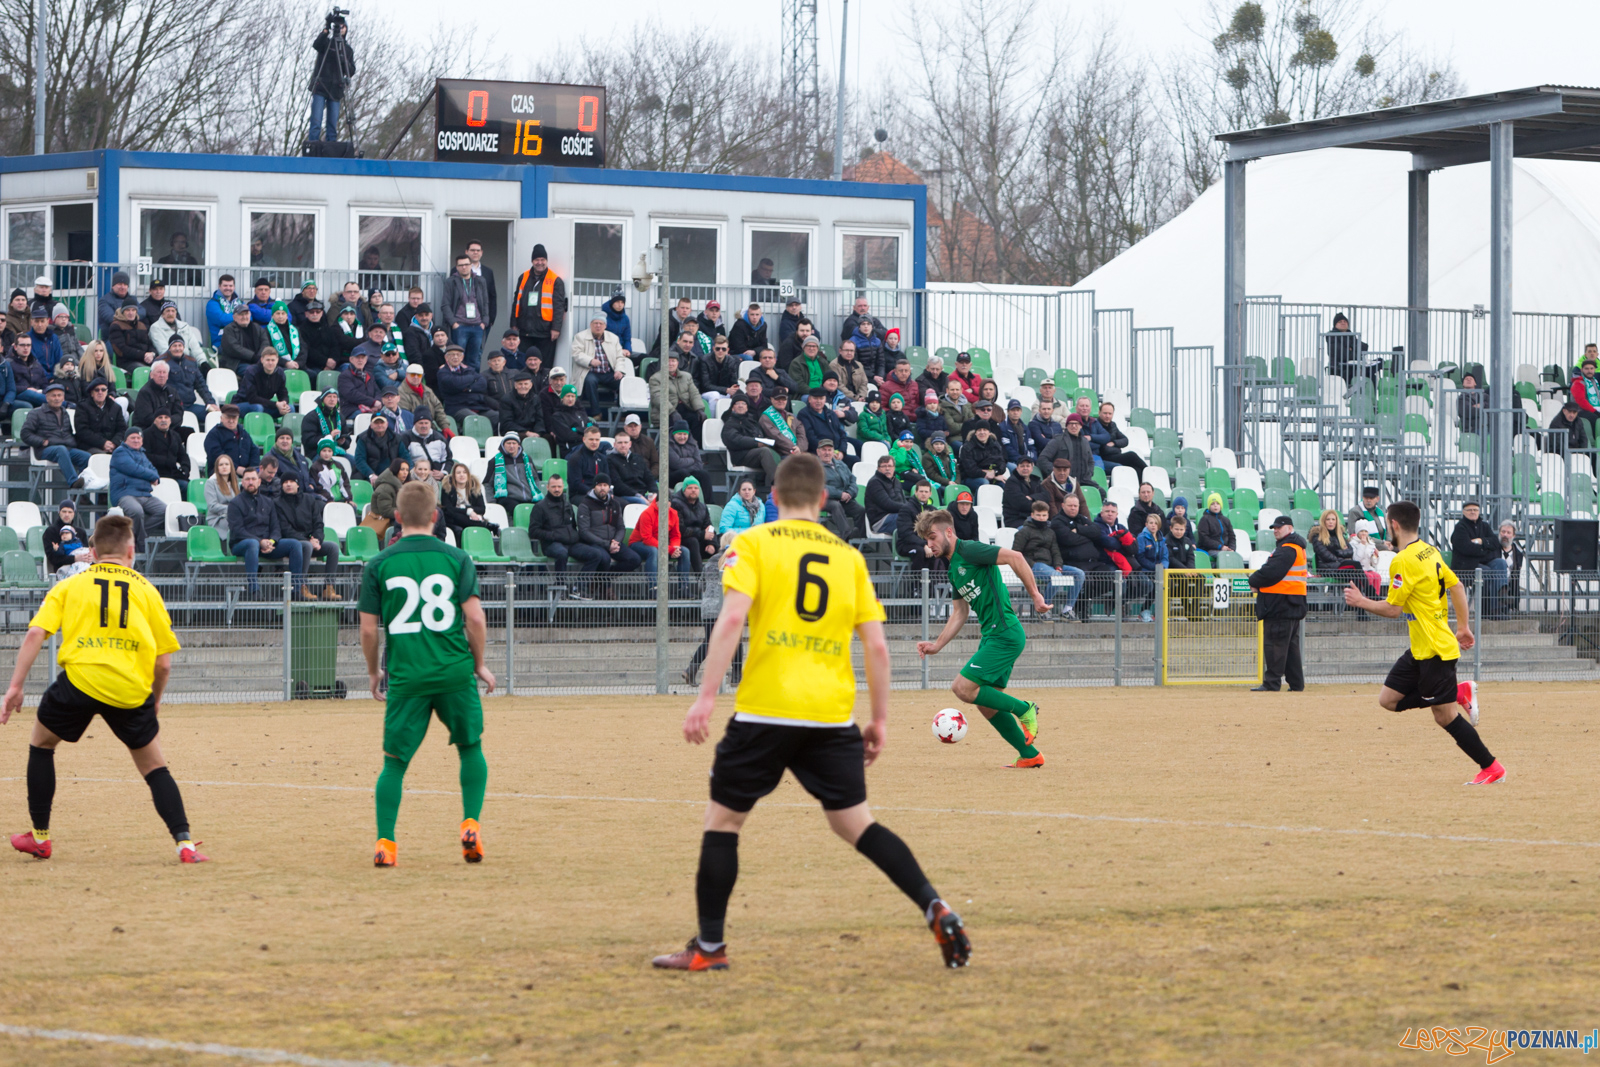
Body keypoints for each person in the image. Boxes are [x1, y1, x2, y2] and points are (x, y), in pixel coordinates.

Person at [653, 453, 969, 972]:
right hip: (829, 714)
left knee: (724, 822)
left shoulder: (751, 543)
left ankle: (709, 947)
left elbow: (731, 620)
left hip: (765, 711)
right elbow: (879, 648)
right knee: (857, 825)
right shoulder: (847, 557)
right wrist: (880, 720)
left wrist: (706, 696)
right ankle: (934, 904)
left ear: (773, 498)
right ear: (824, 500)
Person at [4, 516, 208, 865]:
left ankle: (40, 838)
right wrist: (154, 700)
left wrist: (15, 686)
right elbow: (163, 664)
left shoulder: (71, 586)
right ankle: (185, 845)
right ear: (132, 551)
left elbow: (36, 633)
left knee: (41, 745)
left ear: (93, 552)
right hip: (129, 688)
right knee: (155, 768)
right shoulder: (147, 590)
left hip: (80, 682)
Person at [359, 479, 493, 868]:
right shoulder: (457, 558)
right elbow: (475, 618)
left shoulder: (379, 564)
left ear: (397, 518)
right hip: (454, 671)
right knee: (470, 748)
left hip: (406, 675)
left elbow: (368, 630)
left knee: (394, 763)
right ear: (436, 516)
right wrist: (479, 664)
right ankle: (470, 824)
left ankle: (386, 843)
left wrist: (373, 672)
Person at [1342, 500, 1505, 784]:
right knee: (1388, 700)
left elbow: (1393, 609)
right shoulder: (1431, 551)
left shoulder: (1403, 560)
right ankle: (1456, 691)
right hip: (1421, 648)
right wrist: (1463, 627)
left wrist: (1361, 601)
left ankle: (1491, 768)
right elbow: (1457, 585)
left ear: (1393, 525)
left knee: (1445, 718)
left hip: (1435, 651)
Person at [914, 507, 1049, 768]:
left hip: (1005, 634)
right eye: (926, 540)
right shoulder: (953, 567)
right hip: (992, 636)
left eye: (932, 537)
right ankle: (1031, 756)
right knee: (987, 705)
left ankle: (1024, 709)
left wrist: (1035, 595)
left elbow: (1016, 557)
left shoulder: (969, 550)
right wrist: (936, 645)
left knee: (962, 688)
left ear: (948, 532)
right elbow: (959, 612)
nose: (929, 545)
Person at [1247, 516, 1309, 692]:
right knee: (1290, 648)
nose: (1275, 530)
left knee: (1275, 645)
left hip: (1281, 604)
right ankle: (1296, 684)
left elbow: (1271, 571)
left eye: (1279, 528)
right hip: (1291, 602)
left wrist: (1254, 580)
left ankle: (1272, 683)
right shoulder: (1294, 547)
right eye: (1274, 528)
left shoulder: (1287, 549)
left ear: (1289, 528)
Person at [227, 468, 308, 597]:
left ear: (259, 481)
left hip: (267, 545)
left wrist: (271, 542)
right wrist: (260, 542)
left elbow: (275, 528)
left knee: (295, 544)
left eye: (253, 479)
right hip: (242, 544)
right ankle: (254, 590)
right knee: (253, 543)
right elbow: (238, 530)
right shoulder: (235, 503)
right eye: (247, 479)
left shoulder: (268, 502)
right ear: (242, 482)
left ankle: (296, 590)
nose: (250, 482)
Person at [682, 532, 745, 686]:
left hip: (708, 606)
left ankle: (691, 669)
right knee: (736, 640)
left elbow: (701, 584)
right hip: (727, 605)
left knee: (709, 641)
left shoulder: (711, 560)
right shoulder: (736, 559)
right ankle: (736, 676)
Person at [527, 475, 603, 598]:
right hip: (551, 544)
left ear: (563, 487)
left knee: (596, 554)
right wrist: (553, 535)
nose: (557, 489)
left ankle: (578, 587)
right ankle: (560, 587)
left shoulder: (568, 505)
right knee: (561, 553)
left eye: (559, 486)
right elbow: (533, 531)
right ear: (547, 487)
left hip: (571, 543)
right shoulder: (540, 507)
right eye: (553, 486)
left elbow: (573, 526)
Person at [276, 473, 340, 600]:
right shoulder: (277, 503)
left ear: (298, 484)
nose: (288, 484)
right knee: (305, 546)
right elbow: (285, 529)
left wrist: (317, 539)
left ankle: (329, 587)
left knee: (333, 547)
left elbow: (318, 523)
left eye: (291, 481)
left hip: (310, 542)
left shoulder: (309, 500)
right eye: (285, 482)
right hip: (290, 543)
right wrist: (308, 541)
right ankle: (301, 586)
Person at [576, 473, 643, 588]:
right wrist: (607, 544)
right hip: (595, 543)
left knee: (635, 559)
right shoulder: (585, 504)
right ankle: (604, 588)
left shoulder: (615, 504)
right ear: (594, 487)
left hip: (613, 542)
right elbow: (584, 531)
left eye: (605, 485)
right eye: (599, 485)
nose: (602, 488)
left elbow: (621, 527)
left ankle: (603, 579)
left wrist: (616, 541)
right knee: (604, 558)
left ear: (609, 487)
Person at [21, 383, 88, 487]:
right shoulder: (36, 413)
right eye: (53, 395)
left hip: (66, 448)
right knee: (60, 449)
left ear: (63, 398)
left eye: (59, 395)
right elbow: (25, 434)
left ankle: (84, 489)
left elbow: (68, 432)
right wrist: (42, 441)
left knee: (87, 457)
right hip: (45, 450)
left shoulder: (64, 412)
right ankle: (74, 482)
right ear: (47, 398)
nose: (57, 398)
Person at [1450, 501, 1508, 618]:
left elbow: (1495, 543)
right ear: (1463, 512)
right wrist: (1486, 549)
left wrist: (1480, 541)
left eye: (1475, 510)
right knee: (1485, 571)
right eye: (1470, 510)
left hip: (1482, 562)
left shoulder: (1484, 526)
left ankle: (1499, 605)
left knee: (1500, 563)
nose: (1473, 512)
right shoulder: (1460, 528)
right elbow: (1466, 548)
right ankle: (1486, 611)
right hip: (1465, 566)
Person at [510, 245, 566, 363]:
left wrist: (556, 328)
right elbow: (516, 302)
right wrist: (514, 323)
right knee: (523, 364)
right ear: (532, 261)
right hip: (525, 331)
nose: (539, 263)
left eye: (542, 260)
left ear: (546, 261)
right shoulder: (523, 277)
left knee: (545, 366)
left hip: (545, 332)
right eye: (537, 260)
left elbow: (559, 307)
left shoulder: (555, 280)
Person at [308, 11, 354, 142]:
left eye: (343, 26)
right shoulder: (326, 44)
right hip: (321, 86)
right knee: (315, 123)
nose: (340, 28)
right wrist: (326, 27)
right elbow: (316, 45)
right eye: (338, 26)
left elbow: (351, 71)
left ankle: (330, 152)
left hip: (336, 89)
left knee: (332, 127)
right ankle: (313, 148)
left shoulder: (347, 50)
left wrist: (343, 59)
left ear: (346, 29)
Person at [442, 253, 491, 369]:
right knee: (457, 359)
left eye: (466, 264)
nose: (464, 267)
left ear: (471, 265)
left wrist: (484, 322)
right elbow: (445, 305)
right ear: (457, 267)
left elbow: (485, 302)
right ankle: (459, 385)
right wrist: (454, 324)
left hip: (477, 326)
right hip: (460, 326)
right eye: (461, 265)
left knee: (474, 360)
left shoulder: (480, 281)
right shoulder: (451, 282)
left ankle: (473, 385)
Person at [571, 315, 626, 411]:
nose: (598, 326)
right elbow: (576, 354)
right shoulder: (580, 336)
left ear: (605, 326)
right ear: (590, 325)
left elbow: (620, 357)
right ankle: (596, 412)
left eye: (601, 323)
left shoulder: (613, 338)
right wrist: (590, 361)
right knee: (590, 381)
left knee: (623, 382)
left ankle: (620, 412)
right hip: (589, 371)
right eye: (595, 323)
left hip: (608, 372)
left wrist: (619, 370)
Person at [649, 351, 704, 439]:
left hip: (685, 408)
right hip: (665, 413)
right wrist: (672, 412)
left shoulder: (687, 376)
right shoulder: (655, 378)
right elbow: (658, 398)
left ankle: (695, 447)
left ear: (677, 363)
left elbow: (694, 394)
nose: (670, 363)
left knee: (698, 419)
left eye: (673, 361)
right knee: (676, 421)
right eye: (668, 361)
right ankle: (674, 448)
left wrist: (699, 409)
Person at [1310, 509, 1367, 590]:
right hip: (1326, 569)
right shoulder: (1317, 537)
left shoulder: (1339, 535)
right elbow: (1325, 555)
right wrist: (1340, 556)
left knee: (1354, 573)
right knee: (1355, 566)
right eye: (1328, 519)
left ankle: (1359, 598)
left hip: (1338, 565)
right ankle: (1369, 594)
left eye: (1333, 519)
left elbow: (1350, 551)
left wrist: (1337, 553)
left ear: (1336, 521)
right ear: (1323, 521)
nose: (1331, 522)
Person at [671, 477, 717, 571]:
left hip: (698, 539)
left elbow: (709, 526)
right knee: (693, 541)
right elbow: (681, 529)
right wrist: (702, 534)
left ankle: (717, 580)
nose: (693, 490)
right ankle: (700, 577)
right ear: (684, 490)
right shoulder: (676, 504)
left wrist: (711, 544)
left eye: (696, 488)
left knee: (720, 543)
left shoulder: (702, 506)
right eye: (690, 488)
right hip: (681, 540)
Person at [489, 434, 541, 512]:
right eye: (508, 443)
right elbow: (487, 483)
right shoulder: (494, 461)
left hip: (529, 496)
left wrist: (536, 493)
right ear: (503, 445)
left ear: (518, 445)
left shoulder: (527, 459)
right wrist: (492, 502)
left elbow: (535, 478)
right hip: (509, 498)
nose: (511, 446)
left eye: (514, 443)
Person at [42, 500, 94, 578]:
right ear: (59, 512)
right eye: (64, 511)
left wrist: (89, 557)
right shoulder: (51, 531)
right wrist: (74, 558)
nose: (67, 514)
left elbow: (87, 550)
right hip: (62, 572)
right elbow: (53, 558)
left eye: (70, 512)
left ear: (74, 514)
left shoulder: (80, 532)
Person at [958, 420, 1007, 498]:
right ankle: (978, 506)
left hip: (991, 475)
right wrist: (990, 475)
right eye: (979, 430)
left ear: (989, 432)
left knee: (1004, 483)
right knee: (984, 483)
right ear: (975, 432)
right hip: (970, 478)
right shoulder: (967, 447)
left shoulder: (995, 445)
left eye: (985, 430)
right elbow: (971, 470)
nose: (982, 432)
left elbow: (1002, 464)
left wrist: (995, 472)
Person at [607, 430, 653, 506]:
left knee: (664, 500)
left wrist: (654, 493)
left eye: (625, 442)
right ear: (614, 444)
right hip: (625, 495)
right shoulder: (610, 460)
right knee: (642, 503)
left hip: (642, 494)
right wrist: (638, 496)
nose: (623, 445)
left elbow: (649, 478)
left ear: (630, 444)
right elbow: (618, 484)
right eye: (620, 443)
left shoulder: (638, 458)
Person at [865, 454, 906, 534]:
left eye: (890, 466)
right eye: (884, 466)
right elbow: (887, 504)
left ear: (894, 468)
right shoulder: (875, 482)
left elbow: (903, 501)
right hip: (880, 520)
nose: (887, 469)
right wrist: (909, 508)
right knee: (908, 519)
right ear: (878, 468)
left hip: (896, 515)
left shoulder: (897, 481)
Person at [143, 410, 188, 482]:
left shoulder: (175, 435)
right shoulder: (146, 434)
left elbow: (182, 455)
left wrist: (185, 466)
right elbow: (145, 456)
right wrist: (165, 460)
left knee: (186, 486)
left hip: (174, 473)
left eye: (166, 417)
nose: (163, 420)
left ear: (170, 421)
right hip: (156, 474)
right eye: (160, 418)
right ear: (154, 421)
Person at [206, 453, 240, 537]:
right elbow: (212, 506)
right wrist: (232, 509)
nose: (224, 467)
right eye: (221, 465)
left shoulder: (235, 483)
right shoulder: (211, 483)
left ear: (231, 467)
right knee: (237, 524)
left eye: (227, 464)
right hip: (217, 518)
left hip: (233, 515)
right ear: (217, 468)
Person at [667, 420, 707, 488]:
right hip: (671, 476)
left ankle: (706, 499)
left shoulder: (693, 444)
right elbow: (677, 464)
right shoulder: (668, 444)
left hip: (689, 472)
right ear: (674, 434)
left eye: (685, 434)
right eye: (679, 434)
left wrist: (687, 467)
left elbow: (699, 464)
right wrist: (692, 460)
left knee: (704, 474)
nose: (682, 437)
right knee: (683, 473)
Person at [1497, 521, 1525, 612]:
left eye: (1508, 533)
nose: (1505, 535)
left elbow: (1516, 576)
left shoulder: (1518, 553)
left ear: (1513, 536)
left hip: (1511, 587)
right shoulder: (1493, 550)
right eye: (1503, 532)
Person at [604, 288, 631, 353]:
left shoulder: (625, 318)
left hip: (623, 350)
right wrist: (619, 351)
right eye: (617, 302)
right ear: (612, 302)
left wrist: (628, 350)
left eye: (622, 302)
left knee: (644, 358)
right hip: (608, 351)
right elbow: (601, 339)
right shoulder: (603, 317)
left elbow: (627, 339)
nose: (620, 305)